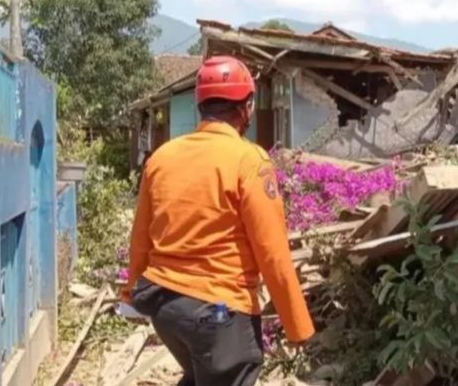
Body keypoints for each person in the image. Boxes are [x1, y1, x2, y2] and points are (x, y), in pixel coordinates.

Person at [121, 56, 314, 386]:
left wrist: (130, 294)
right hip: (219, 315)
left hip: (164, 308)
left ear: (201, 104)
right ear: (247, 108)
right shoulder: (248, 160)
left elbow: (141, 238)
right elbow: (272, 252)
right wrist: (298, 327)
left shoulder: (162, 157)